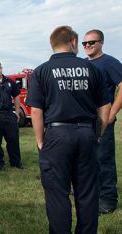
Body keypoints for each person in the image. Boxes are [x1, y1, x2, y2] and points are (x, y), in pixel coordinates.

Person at [26, 26, 110, 233]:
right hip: (86, 133)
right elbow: (104, 106)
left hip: (56, 135)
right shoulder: (92, 69)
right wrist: (98, 134)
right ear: (73, 41)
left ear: (52, 44)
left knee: (57, 193)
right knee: (88, 193)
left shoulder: (42, 71)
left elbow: (36, 111)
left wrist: (40, 141)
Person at [83, 29, 122, 214]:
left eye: (92, 42)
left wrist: (112, 112)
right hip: (84, 120)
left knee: (104, 160)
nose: (88, 46)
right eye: (85, 43)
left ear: (101, 43)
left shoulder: (110, 62)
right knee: (86, 158)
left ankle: (108, 199)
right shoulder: (82, 64)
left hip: (102, 119)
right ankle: (88, 191)